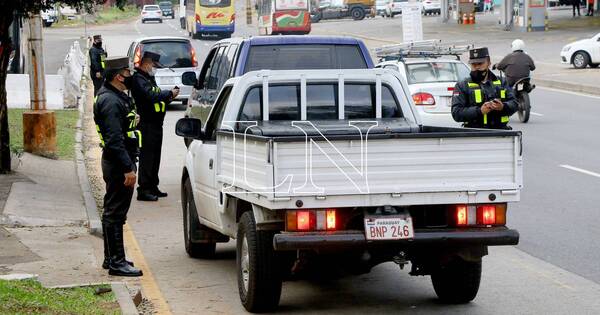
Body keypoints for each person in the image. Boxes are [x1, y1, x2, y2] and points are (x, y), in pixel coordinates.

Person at [94, 56, 143, 277]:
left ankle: (110, 258)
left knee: (112, 211)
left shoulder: (114, 96)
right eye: (127, 73)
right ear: (117, 76)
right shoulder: (110, 101)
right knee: (115, 213)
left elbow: (120, 128)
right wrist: (128, 168)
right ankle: (117, 262)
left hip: (117, 161)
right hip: (118, 164)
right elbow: (114, 139)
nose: (130, 77)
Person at [130, 51, 179, 202]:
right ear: (146, 63)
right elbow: (150, 96)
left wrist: (170, 97)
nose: (155, 68)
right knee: (147, 158)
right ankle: (143, 190)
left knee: (155, 157)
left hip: (156, 124)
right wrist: (168, 93)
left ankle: (152, 186)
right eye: (153, 65)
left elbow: (157, 100)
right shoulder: (138, 79)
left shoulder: (148, 78)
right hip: (146, 124)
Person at [451, 47, 518, 130]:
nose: (477, 67)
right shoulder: (462, 85)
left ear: (489, 63)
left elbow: (515, 104)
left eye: (480, 64)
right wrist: (479, 111)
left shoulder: (502, 82)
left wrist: (503, 107)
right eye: (473, 64)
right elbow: (456, 113)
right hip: (473, 134)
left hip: (500, 133)